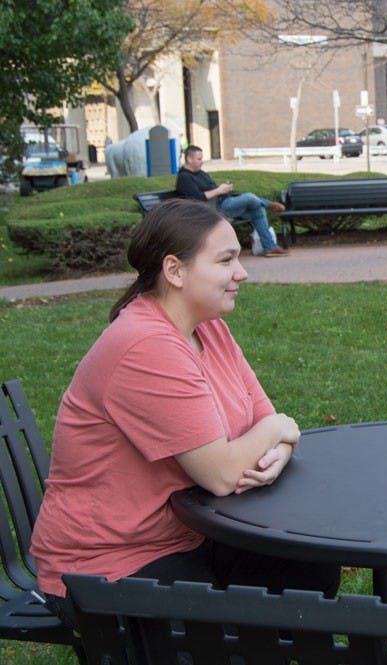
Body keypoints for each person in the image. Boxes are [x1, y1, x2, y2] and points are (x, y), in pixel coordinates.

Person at [30, 199, 340, 629]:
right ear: (174, 270)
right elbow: (223, 472)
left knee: (310, 570)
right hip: (107, 566)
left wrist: (278, 444)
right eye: (226, 260)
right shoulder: (146, 345)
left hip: (186, 535)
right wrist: (277, 430)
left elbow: (263, 417)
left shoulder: (208, 326)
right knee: (226, 629)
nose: (242, 272)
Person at [175, 145, 289, 257]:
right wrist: (219, 190)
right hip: (214, 209)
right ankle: (268, 203)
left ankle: (270, 247)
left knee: (257, 210)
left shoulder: (200, 173)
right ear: (189, 159)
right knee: (249, 197)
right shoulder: (185, 177)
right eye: (199, 159)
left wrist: (224, 189)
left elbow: (212, 189)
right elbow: (196, 198)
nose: (202, 161)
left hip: (224, 202)